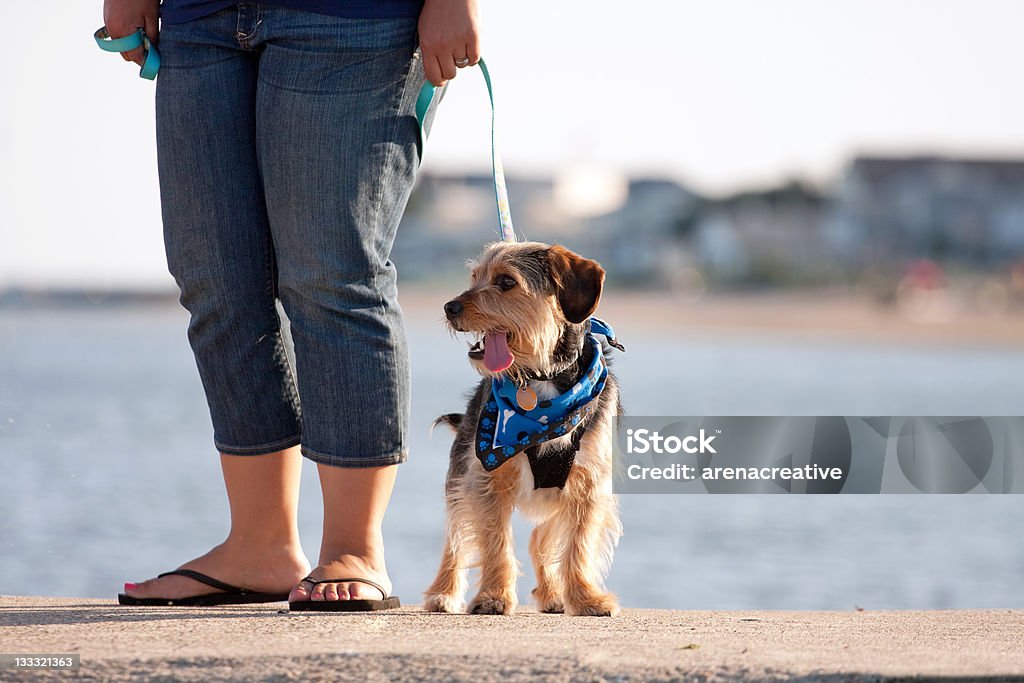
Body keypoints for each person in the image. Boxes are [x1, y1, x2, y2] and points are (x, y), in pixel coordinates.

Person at [105, 0, 479, 607]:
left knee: (333, 277)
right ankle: (260, 546)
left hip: (354, 20)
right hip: (199, 18)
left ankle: (355, 549)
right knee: (217, 281)